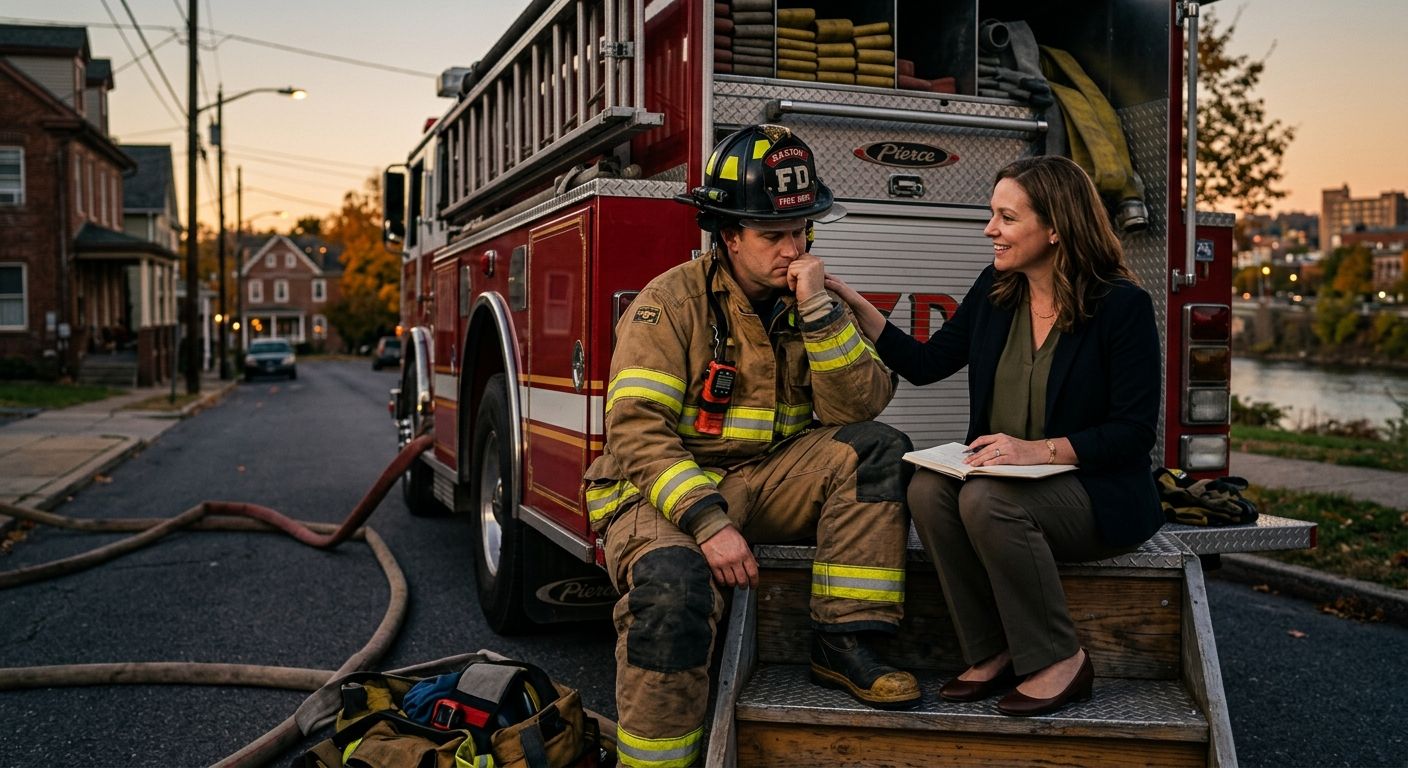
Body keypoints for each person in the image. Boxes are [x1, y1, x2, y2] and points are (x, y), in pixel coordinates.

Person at [585, 124, 919, 766]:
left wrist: (820, 313)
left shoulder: (811, 299)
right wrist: (707, 524)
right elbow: (636, 431)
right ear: (729, 235)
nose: (792, 249)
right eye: (773, 236)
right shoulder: (670, 304)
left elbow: (860, 407)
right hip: (658, 494)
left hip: (765, 477)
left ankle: (843, 641)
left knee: (876, 450)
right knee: (674, 591)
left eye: (802, 232)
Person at [825, 155, 1163, 717]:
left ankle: (1062, 658)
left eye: (1006, 218)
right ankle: (993, 649)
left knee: (986, 499)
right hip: (1010, 484)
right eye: (992, 215)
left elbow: (1132, 433)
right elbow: (928, 362)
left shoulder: (1122, 307)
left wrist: (1039, 451)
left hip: (1094, 493)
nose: (990, 230)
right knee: (927, 489)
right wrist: (859, 308)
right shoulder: (997, 288)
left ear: (1056, 227)